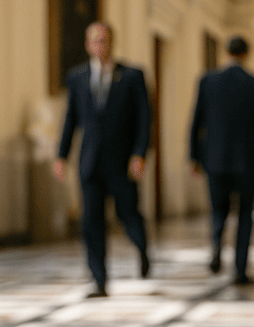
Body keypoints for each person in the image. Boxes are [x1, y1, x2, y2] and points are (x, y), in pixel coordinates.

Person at [54, 22, 151, 298]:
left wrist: (139, 154)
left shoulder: (132, 76)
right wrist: (61, 155)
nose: (100, 45)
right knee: (91, 221)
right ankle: (100, 280)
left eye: (104, 40)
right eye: (94, 41)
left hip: (123, 162)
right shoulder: (77, 77)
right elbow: (70, 118)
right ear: (87, 45)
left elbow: (144, 119)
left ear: (112, 43)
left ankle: (143, 249)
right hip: (90, 162)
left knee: (128, 214)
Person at [189, 36, 254, 285]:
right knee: (245, 215)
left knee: (218, 210)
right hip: (246, 161)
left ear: (225, 53)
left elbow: (196, 122)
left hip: (214, 159)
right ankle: (240, 269)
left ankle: (216, 248)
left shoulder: (207, 81)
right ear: (246, 54)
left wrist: (194, 157)